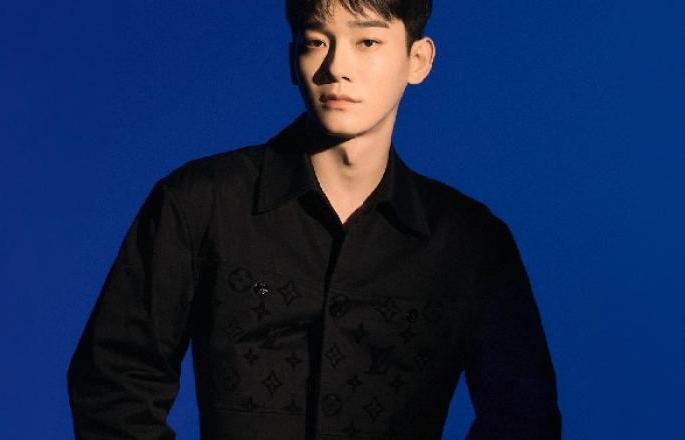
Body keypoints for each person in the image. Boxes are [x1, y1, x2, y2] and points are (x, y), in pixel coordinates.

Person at [67, 0, 561, 439]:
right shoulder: (200, 203)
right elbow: (114, 382)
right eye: (316, 42)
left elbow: (524, 416)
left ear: (418, 60)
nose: (336, 67)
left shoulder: (470, 241)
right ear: (292, 59)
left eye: (367, 41)